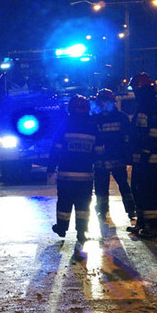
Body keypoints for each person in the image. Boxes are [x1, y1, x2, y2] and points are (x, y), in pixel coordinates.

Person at [47, 95, 100, 243]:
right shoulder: (92, 127)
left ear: (70, 109)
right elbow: (99, 151)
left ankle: (62, 228)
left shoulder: (65, 126)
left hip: (66, 176)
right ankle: (81, 232)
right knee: (83, 205)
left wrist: (51, 168)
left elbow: (55, 149)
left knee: (64, 202)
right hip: (86, 176)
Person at [127, 73, 157, 239]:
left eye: (135, 88)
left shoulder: (152, 105)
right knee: (138, 190)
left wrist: (145, 151)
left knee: (149, 191)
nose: (134, 92)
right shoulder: (144, 104)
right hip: (141, 158)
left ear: (140, 88)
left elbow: (155, 133)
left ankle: (153, 226)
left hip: (149, 158)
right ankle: (142, 222)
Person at [92, 89, 135, 220]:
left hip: (117, 159)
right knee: (101, 188)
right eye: (100, 102)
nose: (101, 104)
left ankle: (131, 209)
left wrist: (127, 155)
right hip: (101, 161)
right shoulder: (95, 119)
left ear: (112, 102)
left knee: (123, 185)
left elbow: (128, 138)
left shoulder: (122, 117)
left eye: (104, 102)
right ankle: (102, 209)